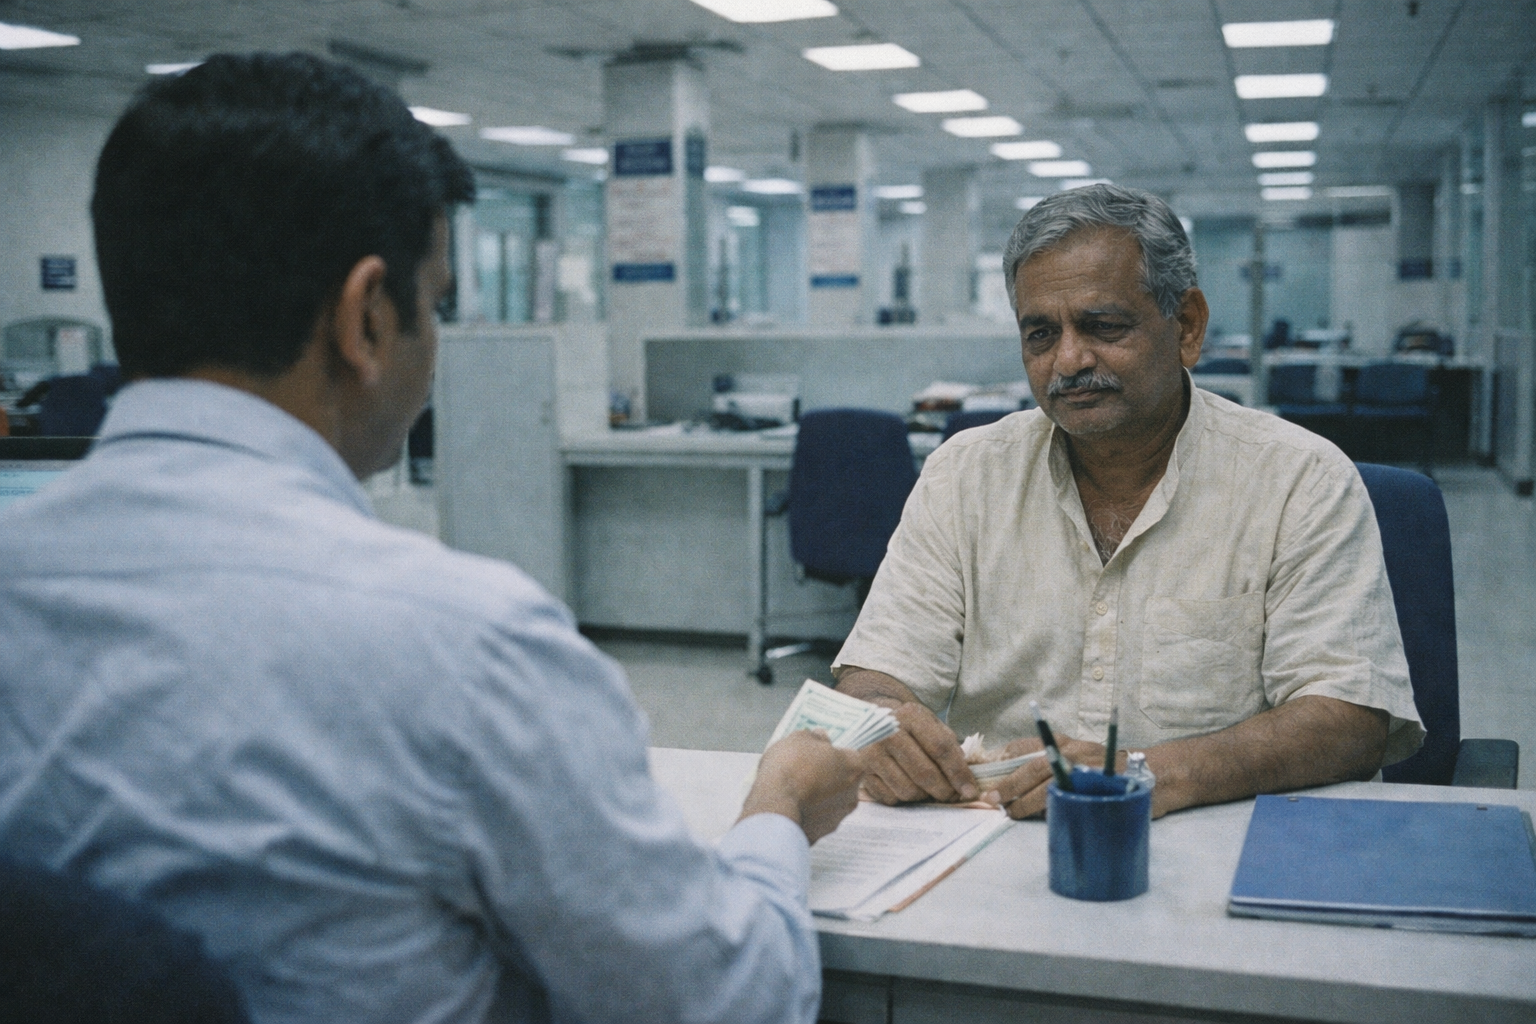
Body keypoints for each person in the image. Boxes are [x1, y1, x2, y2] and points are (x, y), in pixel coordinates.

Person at [0, 52, 865, 1024]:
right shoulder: (468, 646)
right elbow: (728, 1005)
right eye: (438, 304)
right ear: (367, 318)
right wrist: (778, 810)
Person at [833, 184, 1423, 821]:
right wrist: (883, 725)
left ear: (1187, 327)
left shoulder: (1298, 479)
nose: (1069, 360)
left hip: (1216, 842)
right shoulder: (964, 475)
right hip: (996, 842)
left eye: (1103, 326)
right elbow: (875, 673)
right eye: (1040, 335)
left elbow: (1349, 718)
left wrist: (1150, 774)